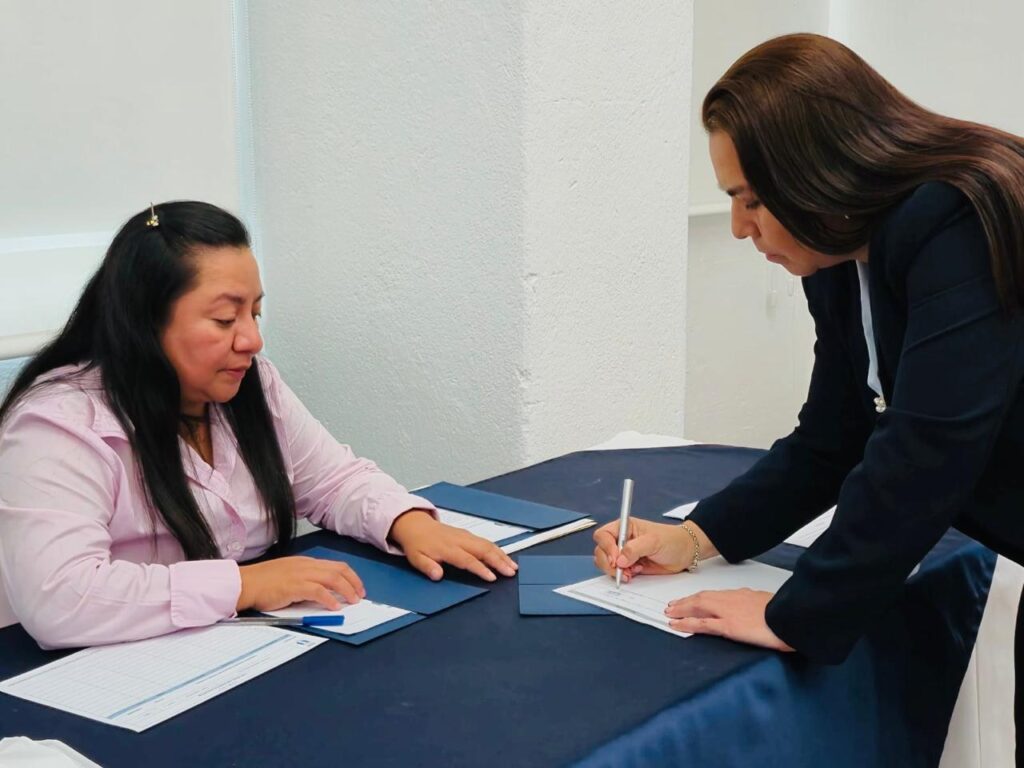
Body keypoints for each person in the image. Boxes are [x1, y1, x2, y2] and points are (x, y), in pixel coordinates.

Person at [594, 33, 1024, 684]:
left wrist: (799, 614)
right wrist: (695, 538)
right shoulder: (839, 258)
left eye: (752, 200)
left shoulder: (952, 218)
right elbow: (834, 435)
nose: (739, 227)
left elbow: (929, 445)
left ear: (819, 172)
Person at [0, 201, 517, 649]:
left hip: (222, 646)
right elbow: (59, 598)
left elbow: (333, 480)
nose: (251, 340)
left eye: (255, 314)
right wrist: (244, 585)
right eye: (226, 320)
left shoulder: (251, 385)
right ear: (145, 322)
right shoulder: (59, 426)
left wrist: (409, 524)